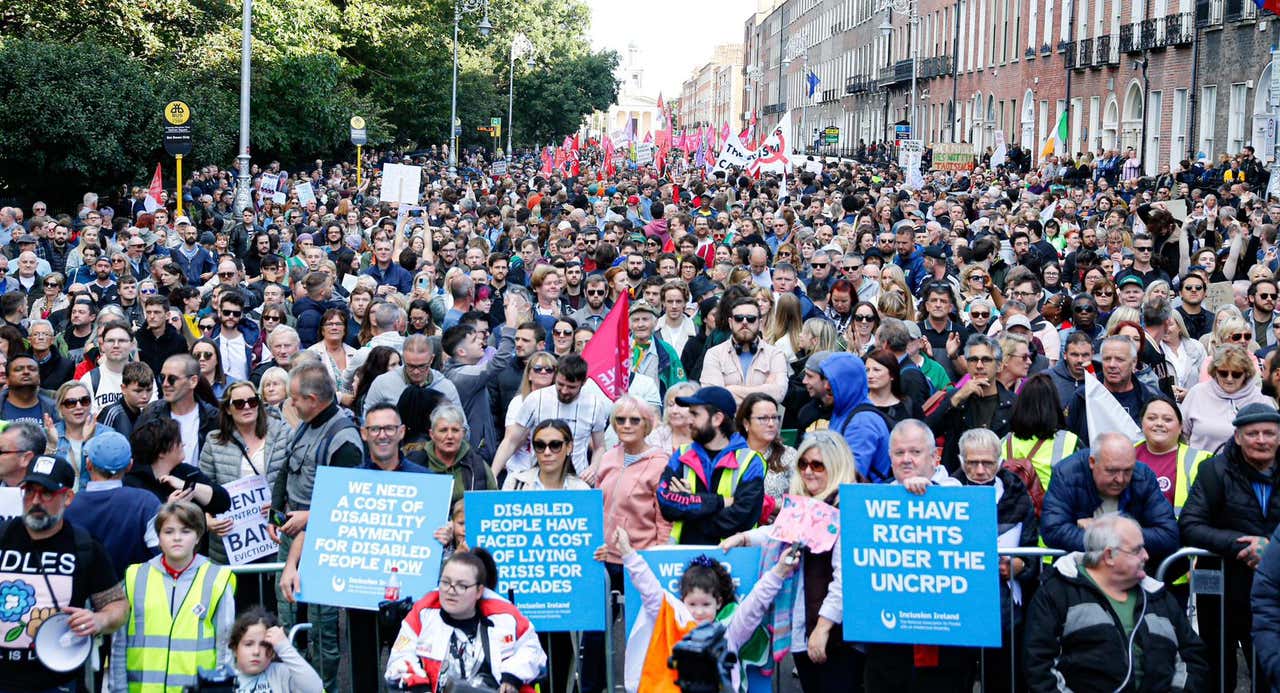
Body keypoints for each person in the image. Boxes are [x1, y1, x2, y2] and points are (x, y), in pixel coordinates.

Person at [719, 430, 860, 690]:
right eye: (803, 464)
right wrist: (742, 537)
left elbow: (845, 579)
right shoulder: (807, 504)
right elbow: (777, 532)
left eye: (818, 465)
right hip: (801, 627)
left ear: (837, 465)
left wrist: (823, 628)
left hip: (834, 634)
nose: (808, 471)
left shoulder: (845, 508)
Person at [1025, 513, 1208, 691]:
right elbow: (1039, 666)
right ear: (1109, 556)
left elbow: (1192, 657)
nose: (1146, 556)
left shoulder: (1158, 596)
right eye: (1137, 550)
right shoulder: (1058, 593)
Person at [613, 525, 795, 693]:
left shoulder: (730, 631)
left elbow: (755, 602)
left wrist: (779, 571)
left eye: (706, 604)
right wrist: (627, 551)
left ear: (718, 602)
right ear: (683, 601)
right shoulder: (672, 621)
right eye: (692, 604)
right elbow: (649, 588)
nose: (699, 612)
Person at [0, 454, 127, 692]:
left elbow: (118, 607)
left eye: (46, 493)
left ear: (68, 497)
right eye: (29, 491)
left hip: (58, 682)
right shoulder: (2, 536)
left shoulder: (85, 546)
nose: (35, 500)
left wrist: (99, 620)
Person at [1179, 402, 1280, 691]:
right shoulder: (1213, 470)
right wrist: (1239, 545)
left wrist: (1271, 549)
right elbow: (1190, 525)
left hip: (1273, 594)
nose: (1261, 440)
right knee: (1218, 675)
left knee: (1268, 672)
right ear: (1237, 437)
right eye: (1252, 433)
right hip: (1223, 592)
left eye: (1269, 433)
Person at [863, 419, 970, 690]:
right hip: (889, 635)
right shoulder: (874, 502)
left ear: (934, 456)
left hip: (946, 635)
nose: (906, 459)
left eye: (915, 452)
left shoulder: (956, 494)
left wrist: (928, 494)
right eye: (899, 453)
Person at [110, 501, 236, 692]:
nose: (177, 538)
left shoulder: (217, 579)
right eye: (168, 532)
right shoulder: (135, 577)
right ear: (159, 537)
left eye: (186, 531)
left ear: (197, 537)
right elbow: (119, 644)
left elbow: (225, 646)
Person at [384, 551, 547, 692]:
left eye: (461, 586)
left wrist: (511, 677)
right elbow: (400, 659)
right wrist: (419, 687)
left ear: (479, 591)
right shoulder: (423, 614)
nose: (450, 591)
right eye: (445, 582)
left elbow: (533, 651)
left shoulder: (506, 617)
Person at [953, 429, 1039, 693]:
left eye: (987, 463)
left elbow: (1031, 548)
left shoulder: (1016, 493)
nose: (980, 470)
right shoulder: (945, 491)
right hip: (957, 608)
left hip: (1006, 610)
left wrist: (1020, 566)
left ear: (1000, 462)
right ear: (960, 460)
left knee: (1002, 679)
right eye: (972, 462)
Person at [1041, 432, 1180, 565]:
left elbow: (1169, 536)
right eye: (1112, 471)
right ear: (1092, 462)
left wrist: (1106, 529)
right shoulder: (1068, 473)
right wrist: (1128, 543)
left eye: (1127, 471)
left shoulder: (1143, 476)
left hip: (1131, 575)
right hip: (1079, 573)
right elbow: (1053, 530)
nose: (1120, 479)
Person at [656, 385, 766, 545]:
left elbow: (741, 518)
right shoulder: (681, 454)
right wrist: (720, 502)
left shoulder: (750, 461)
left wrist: (689, 506)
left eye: (695, 414)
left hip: (731, 559)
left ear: (717, 419)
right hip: (684, 559)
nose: (689, 420)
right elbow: (666, 503)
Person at [491, 354, 611, 480]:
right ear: (555, 375)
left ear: (584, 382)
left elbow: (599, 447)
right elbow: (511, 441)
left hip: (577, 481)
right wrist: (493, 474)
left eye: (571, 387)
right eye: (560, 384)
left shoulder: (595, 405)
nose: (564, 391)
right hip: (538, 480)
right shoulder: (536, 399)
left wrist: (593, 468)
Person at [62, 430, 160, 578]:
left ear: (88, 465)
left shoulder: (67, 504)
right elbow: (161, 552)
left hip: (79, 595)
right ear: (129, 466)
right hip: (132, 593)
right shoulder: (145, 502)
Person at [440, 295, 523, 461]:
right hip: (474, 454)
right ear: (461, 352)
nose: (481, 343)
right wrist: (511, 327)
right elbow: (498, 363)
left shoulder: (460, 370)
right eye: (474, 340)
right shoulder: (462, 376)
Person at [927, 334, 1015, 470]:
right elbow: (927, 432)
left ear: (999, 366)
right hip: (958, 481)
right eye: (973, 360)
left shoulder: (1013, 403)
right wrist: (956, 398)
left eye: (986, 360)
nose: (979, 365)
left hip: (999, 479)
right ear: (967, 365)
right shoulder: (955, 398)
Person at [1181, 343, 1273, 452]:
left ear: (1246, 373)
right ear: (1215, 371)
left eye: (1236, 374)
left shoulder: (1261, 398)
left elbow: (1273, 437)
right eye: (1223, 373)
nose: (1229, 379)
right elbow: (1181, 435)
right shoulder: (1197, 393)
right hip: (1201, 466)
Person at [700, 296, 788, 405]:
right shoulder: (714, 354)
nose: (745, 322)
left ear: (760, 323)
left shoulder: (775, 355)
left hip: (763, 421)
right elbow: (713, 397)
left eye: (751, 318)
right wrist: (764, 391)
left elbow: (778, 393)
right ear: (731, 323)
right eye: (739, 318)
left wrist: (731, 390)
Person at [136, 354, 219, 467]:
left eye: (172, 379)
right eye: (162, 377)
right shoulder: (151, 414)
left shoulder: (213, 418)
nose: (165, 384)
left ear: (193, 381)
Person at [1134, 396, 1211, 516]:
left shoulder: (1202, 461)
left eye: (1167, 419)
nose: (1159, 423)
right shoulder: (1127, 455)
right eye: (1152, 418)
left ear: (1180, 427)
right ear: (1141, 423)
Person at [410, 404, 495, 504]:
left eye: (455, 430)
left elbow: (492, 505)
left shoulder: (478, 465)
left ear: (463, 433)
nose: (450, 436)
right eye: (443, 430)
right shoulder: (415, 463)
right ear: (432, 434)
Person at [228, 607, 324, 693]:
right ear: (235, 649)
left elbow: (315, 689)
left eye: (264, 645)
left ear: (272, 652)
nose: (256, 651)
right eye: (249, 644)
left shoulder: (280, 673)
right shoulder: (225, 679)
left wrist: (284, 647)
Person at [735, 392, 797, 521]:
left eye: (774, 418)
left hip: (773, 531)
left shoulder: (790, 455)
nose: (771, 424)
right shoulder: (732, 454)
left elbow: (799, 503)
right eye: (763, 418)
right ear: (746, 423)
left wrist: (769, 505)